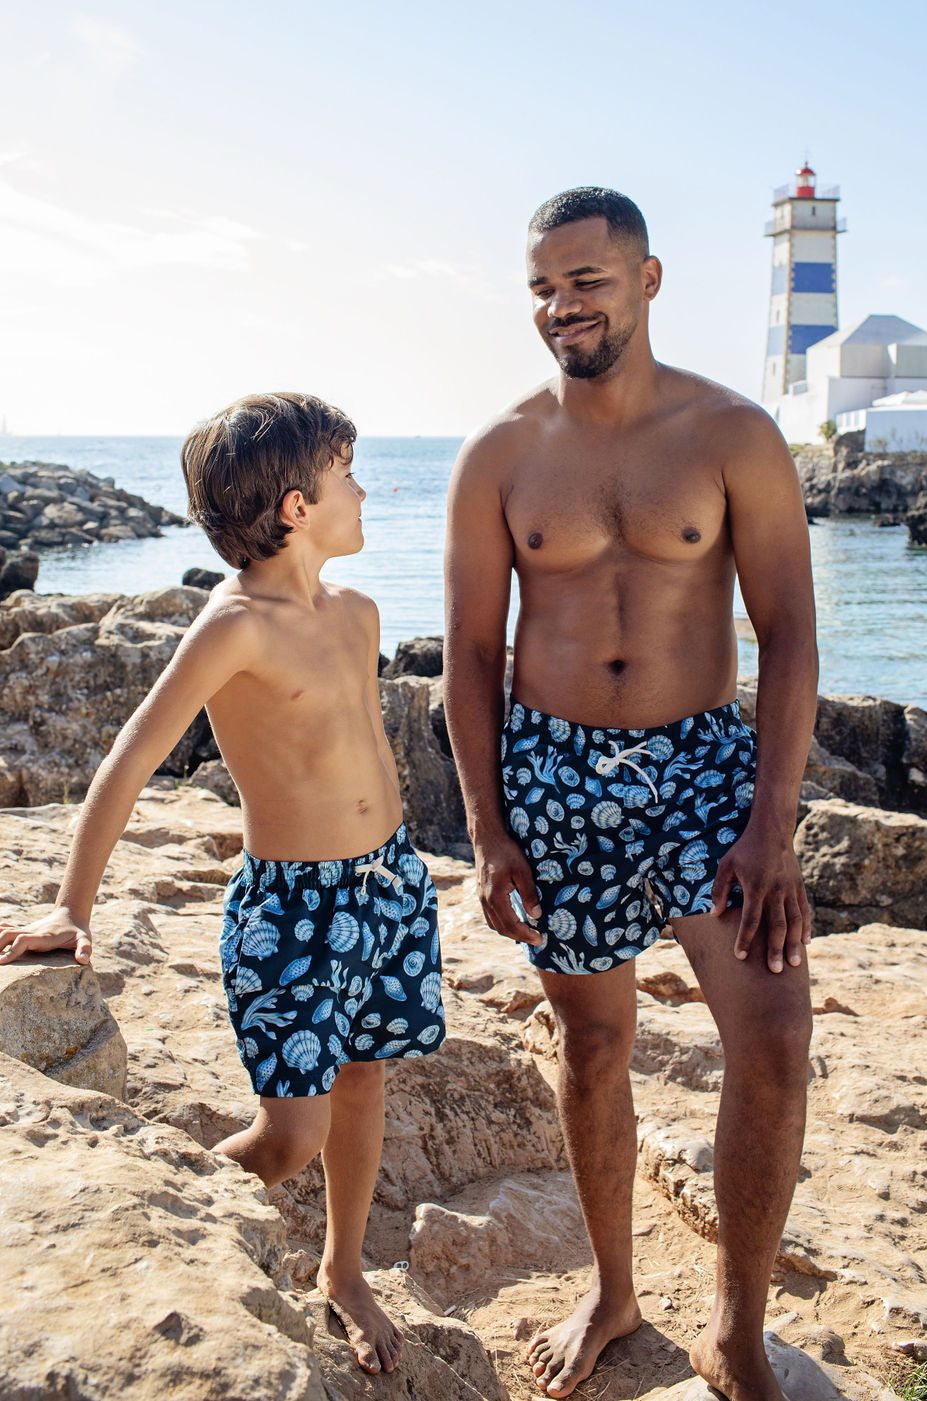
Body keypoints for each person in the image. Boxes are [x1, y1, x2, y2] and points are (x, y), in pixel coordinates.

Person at [443, 188, 817, 1401]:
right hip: (553, 778)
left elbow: (791, 634)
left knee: (771, 1039)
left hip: (706, 766)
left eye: (588, 282)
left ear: (647, 281)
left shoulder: (733, 433)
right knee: (594, 1044)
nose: (563, 308)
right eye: (545, 288)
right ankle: (614, 1289)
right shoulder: (498, 453)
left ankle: (737, 1327)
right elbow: (465, 658)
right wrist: (488, 827)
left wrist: (774, 821)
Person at [0, 391, 446, 1377]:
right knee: (291, 1137)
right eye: (348, 476)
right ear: (296, 506)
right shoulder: (234, 625)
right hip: (292, 911)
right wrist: (69, 909)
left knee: (364, 1080)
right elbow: (127, 761)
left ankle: (342, 1270)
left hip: (385, 892)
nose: (365, 491)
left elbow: (362, 757)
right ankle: (176, 1204)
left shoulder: (359, 614)